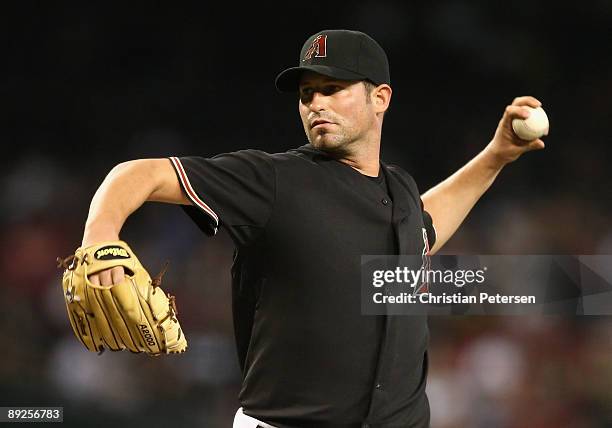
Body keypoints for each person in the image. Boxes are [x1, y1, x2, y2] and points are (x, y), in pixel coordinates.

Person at [81, 29, 546, 428]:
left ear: (379, 97)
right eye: (307, 93)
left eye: (333, 88)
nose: (316, 103)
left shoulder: (398, 188)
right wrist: (100, 235)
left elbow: (422, 231)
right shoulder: (275, 181)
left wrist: (495, 157)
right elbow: (139, 173)